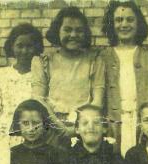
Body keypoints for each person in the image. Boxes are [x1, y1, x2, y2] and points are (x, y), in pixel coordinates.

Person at [101, 1, 148, 156]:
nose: (124, 24)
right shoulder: (103, 57)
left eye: (130, 20)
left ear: (138, 24)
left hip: (144, 122)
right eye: (119, 20)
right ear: (112, 25)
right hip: (113, 123)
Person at [32, 7, 104, 143]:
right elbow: (38, 100)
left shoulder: (95, 60)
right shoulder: (44, 61)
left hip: (84, 129)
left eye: (79, 30)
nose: (73, 35)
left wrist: (78, 128)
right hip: (52, 129)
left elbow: (97, 102)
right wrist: (61, 128)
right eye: (67, 29)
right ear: (57, 31)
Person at [0, 23, 44, 143]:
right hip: (5, 132)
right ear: (12, 47)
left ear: (36, 48)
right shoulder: (0, 74)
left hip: (31, 133)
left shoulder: (41, 76)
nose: (24, 51)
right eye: (20, 46)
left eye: (29, 46)